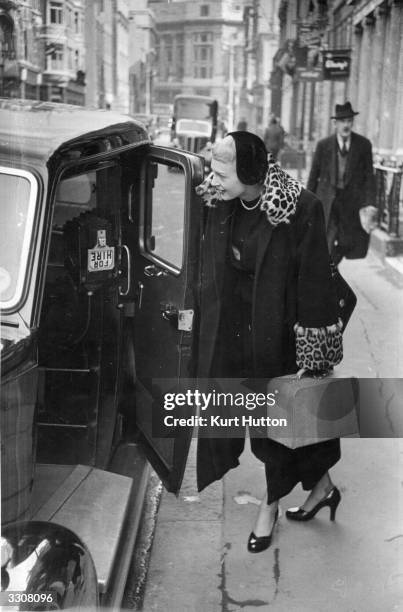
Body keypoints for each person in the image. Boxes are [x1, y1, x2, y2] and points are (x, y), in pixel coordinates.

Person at [195, 132, 344, 553]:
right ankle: (324, 489)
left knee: (274, 430)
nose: (214, 178)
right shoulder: (217, 201)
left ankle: (270, 506)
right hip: (234, 333)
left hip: (280, 338)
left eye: (222, 172)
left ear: (249, 173)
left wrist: (312, 357)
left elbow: (316, 284)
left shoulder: (300, 208)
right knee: (262, 421)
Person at [307, 101, 376, 265]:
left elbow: (369, 178)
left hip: (351, 205)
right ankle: (329, 276)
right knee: (326, 244)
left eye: (349, 121)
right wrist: (307, 203)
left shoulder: (363, 145)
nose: (346, 125)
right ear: (335, 123)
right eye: (343, 121)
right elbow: (313, 176)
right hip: (328, 203)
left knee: (347, 244)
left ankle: (330, 271)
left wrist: (370, 203)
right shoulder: (323, 146)